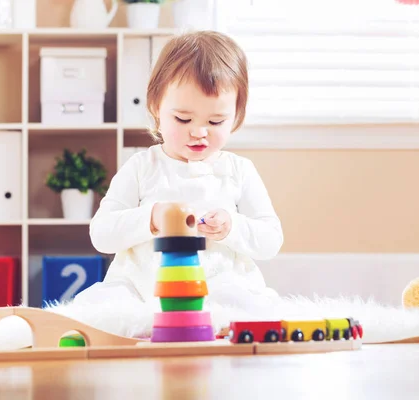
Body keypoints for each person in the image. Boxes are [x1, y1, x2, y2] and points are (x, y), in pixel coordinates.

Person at [69, 30, 284, 336]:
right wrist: (152, 218)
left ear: (236, 115)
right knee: (97, 307)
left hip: (216, 286)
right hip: (142, 289)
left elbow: (270, 239)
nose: (199, 132)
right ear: (156, 109)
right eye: (183, 119)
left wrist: (230, 227)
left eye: (215, 122)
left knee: (245, 304)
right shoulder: (142, 167)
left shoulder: (238, 171)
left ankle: (211, 326)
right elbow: (101, 235)